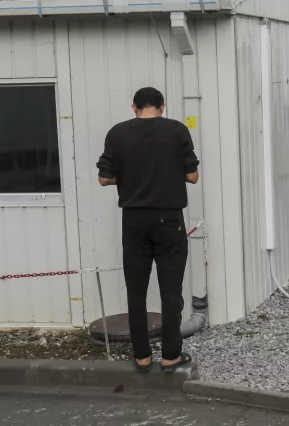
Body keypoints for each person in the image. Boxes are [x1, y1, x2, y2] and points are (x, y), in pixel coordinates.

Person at [96, 87, 200, 374]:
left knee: (136, 291)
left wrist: (130, 175)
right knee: (170, 293)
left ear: (134, 108)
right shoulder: (177, 131)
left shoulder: (117, 133)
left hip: (134, 221)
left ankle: (142, 357)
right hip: (169, 220)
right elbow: (192, 175)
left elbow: (104, 179)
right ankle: (170, 357)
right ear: (162, 106)